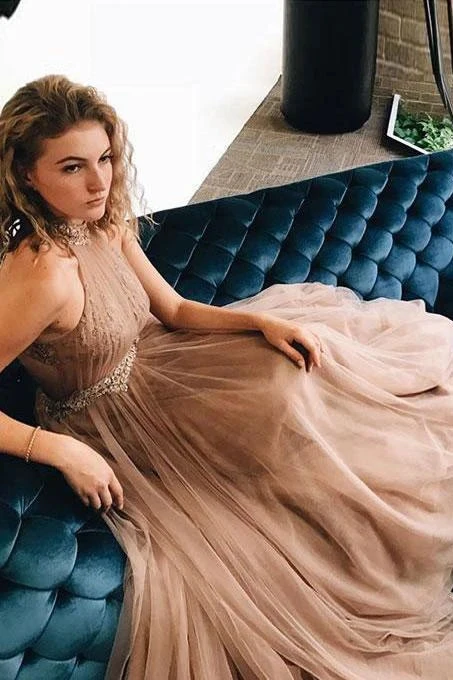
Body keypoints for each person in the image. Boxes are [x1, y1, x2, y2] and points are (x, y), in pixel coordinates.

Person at [1, 75, 453, 680]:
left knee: (301, 374)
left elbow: (173, 309)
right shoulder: (41, 277)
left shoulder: (101, 221)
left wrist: (257, 324)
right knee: (288, 415)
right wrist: (57, 449)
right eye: (72, 167)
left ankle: (399, 501)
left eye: (105, 158)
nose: (99, 182)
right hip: (119, 418)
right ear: (27, 175)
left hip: (166, 358)